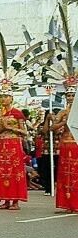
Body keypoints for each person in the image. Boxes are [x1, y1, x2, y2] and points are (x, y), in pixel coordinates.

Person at [0, 86, 28, 210]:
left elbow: (24, 132)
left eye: (6, 96)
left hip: (14, 145)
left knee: (15, 172)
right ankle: (6, 200)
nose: (3, 99)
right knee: (3, 173)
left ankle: (16, 201)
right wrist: (2, 128)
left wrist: (11, 128)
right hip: (2, 145)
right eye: (1, 96)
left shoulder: (17, 113)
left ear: (11, 98)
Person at [52, 83, 77, 212]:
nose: (71, 97)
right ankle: (67, 203)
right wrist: (64, 122)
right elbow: (53, 129)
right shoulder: (63, 112)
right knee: (65, 174)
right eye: (68, 95)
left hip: (76, 143)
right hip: (65, 144)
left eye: (73, 95)